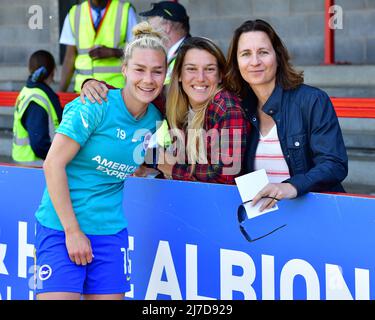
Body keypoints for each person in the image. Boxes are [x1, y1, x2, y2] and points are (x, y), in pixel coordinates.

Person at [34, 22, 166, 300]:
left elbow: (131, 157)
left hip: (110, 232)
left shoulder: (156, 120)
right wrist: (73, 232)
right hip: (61, 228)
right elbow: (52, 164)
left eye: (157, 71)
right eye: (139, 69)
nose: (148, 79)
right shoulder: (95, 104)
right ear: (125, 70)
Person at [225, 19, 348, 211]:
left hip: (317, 215)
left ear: (278, 56)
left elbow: (334, 164)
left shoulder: (312, 100)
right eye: (246, 54)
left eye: (263, 52)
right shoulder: (238, 109)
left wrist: (292, 186)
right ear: (236, 62)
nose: (255, 61)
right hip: (267, 222)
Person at [152, 36, 250, 184]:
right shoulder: (175, 102)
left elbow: (226, 177)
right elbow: (134, 98)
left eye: (209, 69)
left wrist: (173, 169)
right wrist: (103, 88)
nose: (200, 78)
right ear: (178, 74)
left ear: (220, 76)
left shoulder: (226, 108)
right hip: (192, 198)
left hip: (223, 203)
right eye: (191, 69)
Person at [59, 0, 138, 92]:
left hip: (116, 91)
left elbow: (137, 51)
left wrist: (114, 52)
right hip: (83, 92)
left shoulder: (125, 10)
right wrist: (60, 93)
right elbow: (69, 58)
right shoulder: (74, 13)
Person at [12, 50, 62, 166]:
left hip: (28, 163)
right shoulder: (37, 98)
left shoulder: (28, 91)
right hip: (36, 166)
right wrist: (59, 157)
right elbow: (39, 143)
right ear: (53, 71)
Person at [139, 1, 191, 85]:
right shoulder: (174, 52)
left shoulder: (189, 54)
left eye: (151, 27)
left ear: (167, 26)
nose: (148, 33)